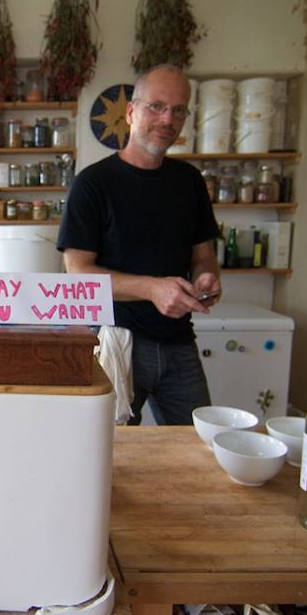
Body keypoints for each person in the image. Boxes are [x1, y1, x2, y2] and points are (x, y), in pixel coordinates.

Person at [56, 64, 221, 425]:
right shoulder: (92, 185)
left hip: (179, 342)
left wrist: (207, 278)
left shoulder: (190, 182)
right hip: (116, 342)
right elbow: (77, 274)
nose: (167, 119)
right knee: (107, 452)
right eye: (156, 106)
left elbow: (204, 256)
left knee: (197, 450)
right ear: (131, 112)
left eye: (178, 110)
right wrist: (152, 289)